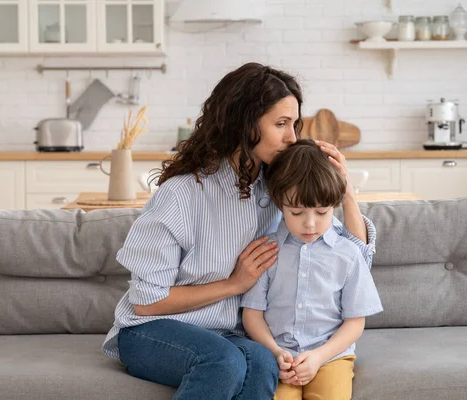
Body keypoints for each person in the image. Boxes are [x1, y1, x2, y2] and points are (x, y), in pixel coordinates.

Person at [101, 62, 377, 400]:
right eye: (281, 124)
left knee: (262, 363)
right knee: (223, 361)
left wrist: (345, 191)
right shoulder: (182, 194)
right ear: (246, 125)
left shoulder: (279, 189)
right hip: (152, 331)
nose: (292, 137)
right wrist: (234, 284)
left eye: (294, 124)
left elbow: (352, 254)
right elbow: (146, 303)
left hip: (230, 335)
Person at [241, 139, 383, 400]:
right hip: (279, 357)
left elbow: (355, 322)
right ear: (279, 203)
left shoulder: (348, 253)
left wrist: (318, 357)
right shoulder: (266, 250)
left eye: (321, 212)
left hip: (331, 356)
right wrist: (274, 352)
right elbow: (252, 314)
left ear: (334, 206)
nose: (310, 224)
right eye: (296, 213)